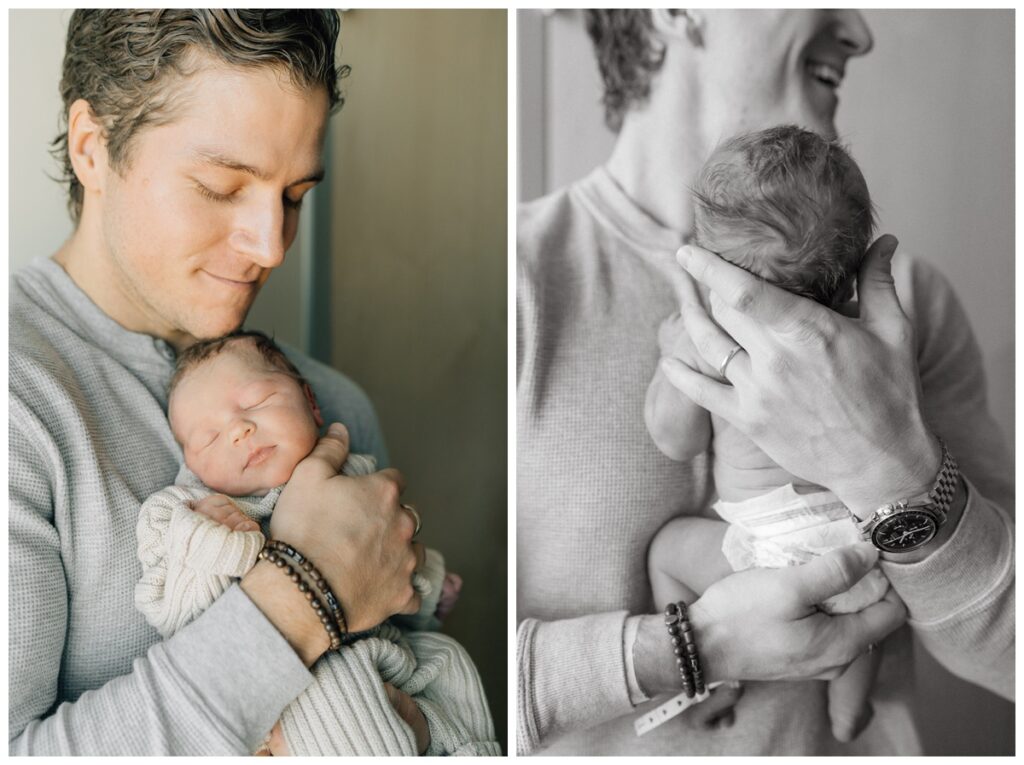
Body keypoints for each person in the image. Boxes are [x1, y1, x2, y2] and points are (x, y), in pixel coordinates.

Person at [517, 9, 1013, 756]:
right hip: (843, 561)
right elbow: (464, 682)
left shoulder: (907, 312)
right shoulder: (519, 278)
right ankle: (846, 702)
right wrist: (689, 648)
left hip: (761, 546)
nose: (861, 31)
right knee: (861, 609)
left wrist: (900, 468)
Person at [10, 10, 428, 755]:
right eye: (220, 186)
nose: (270, 244)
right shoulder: (20, 400)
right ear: (93, 149)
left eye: (294, 194)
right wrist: (307, 593)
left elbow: (423, 682)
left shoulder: (332, 411)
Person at [134, 330, 497, 756]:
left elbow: (391, 551)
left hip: (384, 660)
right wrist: (212, 542)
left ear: (310, 402)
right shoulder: (188, 515)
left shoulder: (351, 472)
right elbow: (175, 616)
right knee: (337, 694)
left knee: (451, 664)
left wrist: (431, 581)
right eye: (208, 437)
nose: (238, 430)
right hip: (289, 681)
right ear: (190, 465)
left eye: (256, 402)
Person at [646, 125, 890, 744]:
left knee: (667, 549)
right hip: (864, 541)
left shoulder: (712, 341)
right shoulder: (862, 339)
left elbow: (678, 441)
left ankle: (703, 680)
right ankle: (847, 707)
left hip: (766, 547)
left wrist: (673, 359)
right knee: (878, 610)